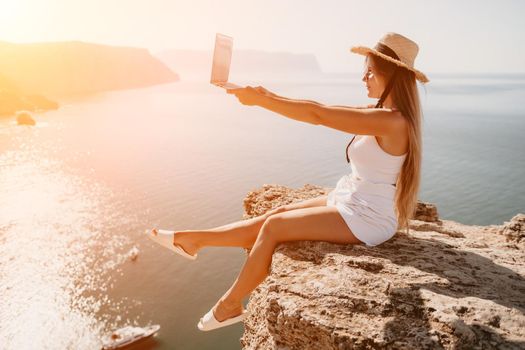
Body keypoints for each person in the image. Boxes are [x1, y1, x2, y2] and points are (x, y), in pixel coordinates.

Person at [148, 32, 429, 331]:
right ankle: (195, 240)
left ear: (393, 76)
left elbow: (318, 115)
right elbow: (319, 106)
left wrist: (260, 103)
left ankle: (229, 305)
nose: (364, 78)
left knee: (274, 228)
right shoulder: (381, 114)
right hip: (351, 197)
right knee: (276, 214)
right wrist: (267, 96)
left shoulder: (393, 122)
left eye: (370, 71)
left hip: (368, 217)